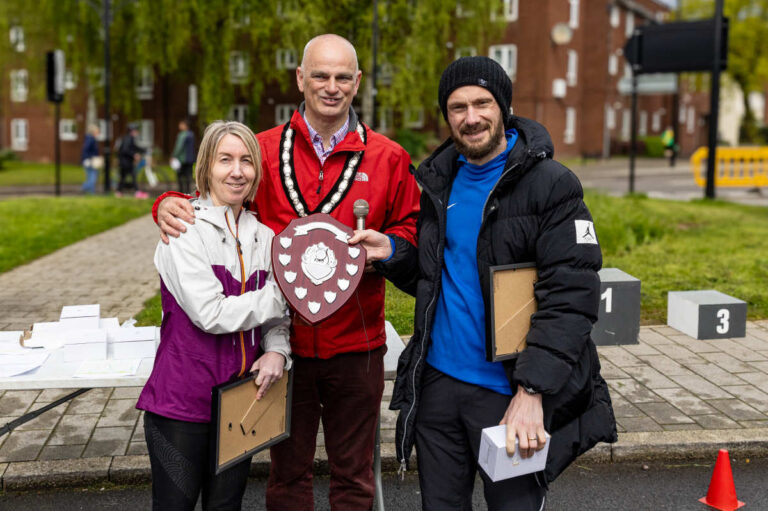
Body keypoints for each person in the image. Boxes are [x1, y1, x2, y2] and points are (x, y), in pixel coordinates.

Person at [153, 34, 420, 510]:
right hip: (281, 349)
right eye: (320, 75)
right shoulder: (259, 151)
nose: (331, 86)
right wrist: (166, 204)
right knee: (286, 476)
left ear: (357, 83)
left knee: (355, 478)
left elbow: (413, 234)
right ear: (301, 78)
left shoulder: (388, 158)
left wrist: (394, 247)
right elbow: (216, 200)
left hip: (355, 346)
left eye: (342, 77)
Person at [349, 56, 617, 510]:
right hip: (438, 388)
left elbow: (571, 297)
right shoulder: (439, 181)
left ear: (503, 106)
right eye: (457, 107)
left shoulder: (552, 185)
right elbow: (439, 276)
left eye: (482, 103)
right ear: (446, 115)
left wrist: (532, 392)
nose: (470, 118)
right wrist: (392, 252)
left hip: (509, 393)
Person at [136, 120, 292, 511]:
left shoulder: (265, 236)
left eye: (246, 161)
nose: (237, 171)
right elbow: (211, 314)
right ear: (206, 166)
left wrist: (277, 351)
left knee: (226, 507)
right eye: (225, 159)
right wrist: (289, 291)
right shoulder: (184, 228)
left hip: (240, 399)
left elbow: (274, 321)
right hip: (180, 404)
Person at [117, 123, 147, 198]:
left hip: (125, 161)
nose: (138, 132)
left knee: (123, 177)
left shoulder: (129, 138)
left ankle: (119, 192)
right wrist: (134, 154)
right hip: (126, 162)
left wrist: (143, 150)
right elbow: (125, 150)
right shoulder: (129, 138)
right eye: (136, 131)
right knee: (133, 175)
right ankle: (137, 192)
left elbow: (134, 147)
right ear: (133, 131)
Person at [172, 119, 196, 194]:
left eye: (181, 124)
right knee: (188, 176)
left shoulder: (182, 135)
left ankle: (181, 192)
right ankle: (188, 192)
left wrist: (174, 155)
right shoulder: (191, 134)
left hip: (182, 159)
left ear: (185, 126)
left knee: (180, 176)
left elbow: (179, 147)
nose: (179, 126)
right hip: (190, 159)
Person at [80, 124, 101, 194]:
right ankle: (84, 187)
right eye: (97, 131)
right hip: (90, 161)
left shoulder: (90, 139)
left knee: (91, 177)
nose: (98, 133)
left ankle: (91, 193)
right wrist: (91, 157)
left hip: (89, 160)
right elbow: (86, 150)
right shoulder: (90, 139)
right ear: (93, 132)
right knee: (93, 178)